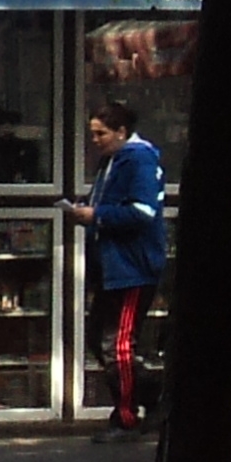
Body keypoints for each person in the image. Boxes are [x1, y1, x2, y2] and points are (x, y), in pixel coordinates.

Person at [76, 99, 168, 431]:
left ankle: (127, 415)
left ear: (121, 132)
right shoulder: (113, 160)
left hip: (132, 269)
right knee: (100, 342)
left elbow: (143, 213)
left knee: (117, 345)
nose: (95, 140)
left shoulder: (138, 160)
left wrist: (95, 215)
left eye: (101, 134)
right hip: (112, 269)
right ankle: (153, 394)